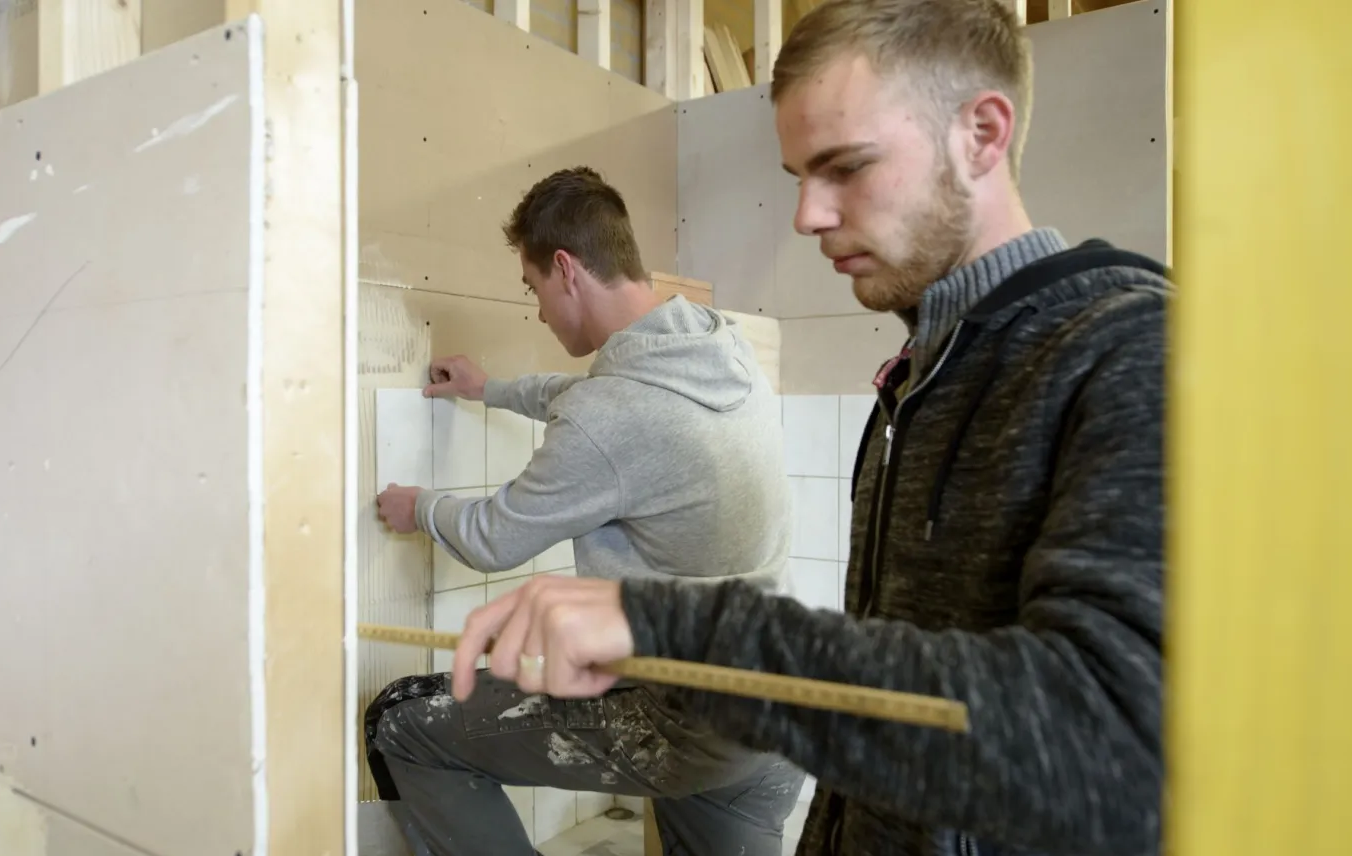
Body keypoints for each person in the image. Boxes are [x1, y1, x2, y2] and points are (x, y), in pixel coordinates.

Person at [449, 2, 1170, 856]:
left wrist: (668, 624)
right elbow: (915, 716)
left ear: (982, 132)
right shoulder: (925, 375)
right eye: (799, 175)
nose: (807, 215)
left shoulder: (1129, 353)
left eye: (845, 167)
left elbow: (1101, 746)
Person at [368, 166, 805, 855]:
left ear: (565, 269)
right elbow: (600, 401)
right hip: (774, 713)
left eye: (532, 287)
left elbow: (493, 538)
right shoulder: (718, 347)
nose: (536, 310)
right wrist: (495, 389)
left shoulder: (613, 413)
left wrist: (419, 507)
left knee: (403, 726)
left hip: (678, 725)